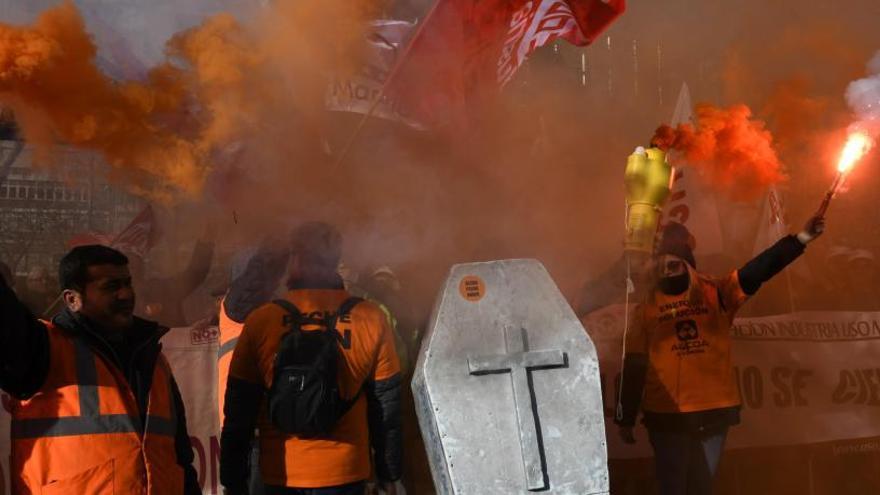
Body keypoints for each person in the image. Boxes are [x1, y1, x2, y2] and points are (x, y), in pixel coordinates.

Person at [615, 214, 825, 495]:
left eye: (674, 262)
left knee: (702, 486)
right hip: (667, 416)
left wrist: (800, 239)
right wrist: (626, 416)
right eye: (660, 263)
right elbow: (634, 365)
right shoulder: (644, 309)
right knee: (672, 486)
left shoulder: (716, 292)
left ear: (688, 263)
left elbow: (759, 270)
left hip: (713, 412)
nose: (667, 268)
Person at [0, 245, 200, 494]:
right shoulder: (44, 349)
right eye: (111, 287)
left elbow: (180, 457)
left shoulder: (153, 358)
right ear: (72, 299)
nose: (126, 294)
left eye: (127, 283)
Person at [221, 222, 403, 495]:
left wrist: (233, 482)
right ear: (335, 259)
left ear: (295, 259)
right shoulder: (371, 318)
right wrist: (389, 473)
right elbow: (386, 409)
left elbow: (238, 413)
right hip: (346, 472)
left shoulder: (262, 321)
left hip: (280, 475)